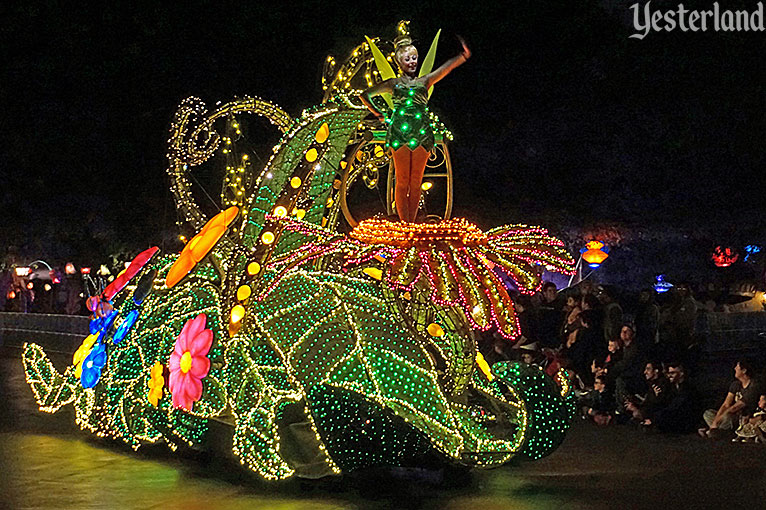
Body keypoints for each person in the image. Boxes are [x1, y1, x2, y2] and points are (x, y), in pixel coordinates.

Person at [360, 33, 470, 222]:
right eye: (407, 59)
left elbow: (446, 68)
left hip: (421, 133)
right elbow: (365, 95)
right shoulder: (393, 84)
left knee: (416, 181)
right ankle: (406, 225)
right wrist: (379, 114)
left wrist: (463, 56)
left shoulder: (425, 81)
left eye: (414, 58)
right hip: (400, 133)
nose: (412, 62)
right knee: (402, 181)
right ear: (399, 63)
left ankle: (411, 224)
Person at [699, 358, 761, 438]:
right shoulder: (736, 384)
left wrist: (718, 420)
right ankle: (715, 431)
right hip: (729, 416)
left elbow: (735, 407)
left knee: (728, 417)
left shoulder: (753, 386)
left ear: (744, 370)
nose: (735, 368)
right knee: (708, 413)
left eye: (737, 367)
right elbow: (726, 404)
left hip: (741, 418)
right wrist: (716, 421)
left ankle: (714, 431)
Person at [647, 361, 699, 433]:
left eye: (672, 373)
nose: (669, 376)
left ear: (681, 374)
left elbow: (675, 406)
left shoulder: (688, 389)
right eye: (669, 373)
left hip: (685, 420)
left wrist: (654, 419)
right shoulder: (671, 388)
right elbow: (664, 403)